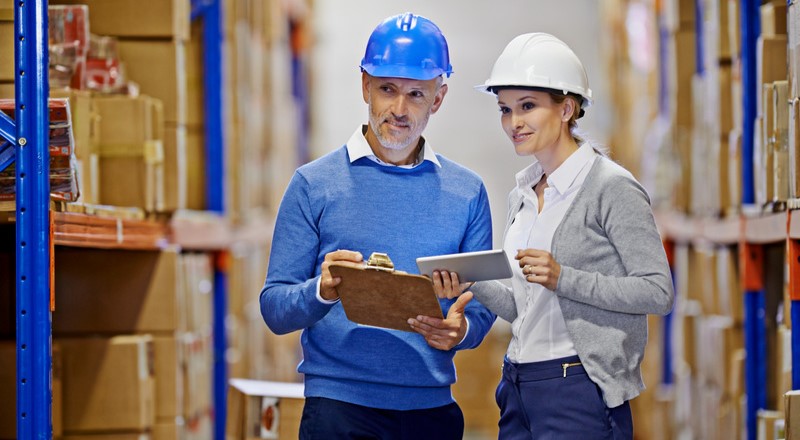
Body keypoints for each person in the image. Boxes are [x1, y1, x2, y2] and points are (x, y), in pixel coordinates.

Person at [413, 33, 675, 439]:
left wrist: (563, 277)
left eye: (528, 106)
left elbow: (658, 291)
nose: (513, 122)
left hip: (578, 390)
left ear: (567, 108)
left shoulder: (611, 188)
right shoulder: (524, 194)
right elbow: (525, 307)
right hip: (518, 386)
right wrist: (473, 283)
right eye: (505, 109)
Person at [259, 12, 496, 440]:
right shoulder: (313, 184)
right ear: (365, 85)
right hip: (339, 411)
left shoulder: (467, 193)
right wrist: (321, 289)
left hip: (431, 412)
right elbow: (274, 307)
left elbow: (481, 308)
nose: (399, 109)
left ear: (438, 98)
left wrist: (460, 331)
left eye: (416, 95)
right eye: (387, 89)